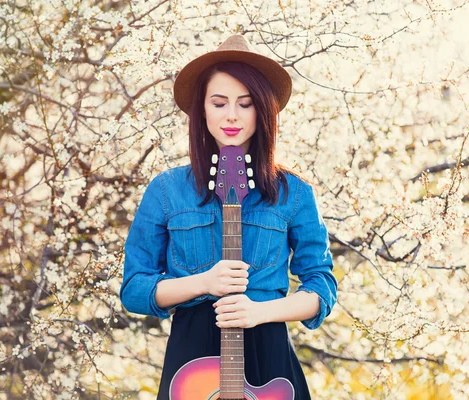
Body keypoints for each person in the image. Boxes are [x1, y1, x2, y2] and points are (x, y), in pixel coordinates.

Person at [119, 34, 338, 400]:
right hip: (192, 359)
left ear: (262, 109)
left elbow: (322, 287)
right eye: (219, 103)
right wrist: (204, 282)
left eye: (245, 103)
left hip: (268, 353)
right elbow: (135, 289)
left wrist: (259, 312)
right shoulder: (166, 190)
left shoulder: (294, 193)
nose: (232, 115)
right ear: (201, 109)